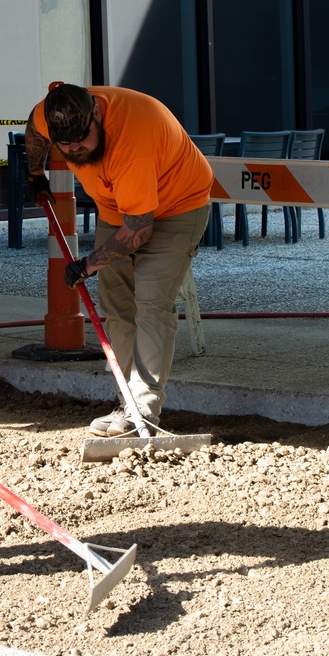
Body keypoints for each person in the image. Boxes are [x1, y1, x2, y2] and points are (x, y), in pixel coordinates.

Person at [24, 83, 212, 437]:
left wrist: (88, 265)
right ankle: (129, 402)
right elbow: (33, 131)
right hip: (117, 208)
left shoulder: (133, 139)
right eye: (65, 146)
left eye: (81, 140)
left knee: (152, 302)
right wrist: (34, 175)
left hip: (177, 206)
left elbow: (139, 231)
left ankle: (144, 410)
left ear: (96, 114)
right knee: (116, 302)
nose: (75, 149)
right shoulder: (51, 117)